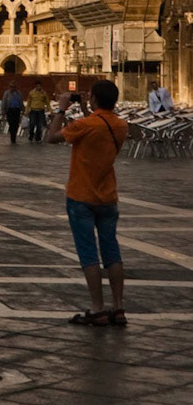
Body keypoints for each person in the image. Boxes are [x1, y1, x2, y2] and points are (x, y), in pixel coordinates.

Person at [49, 78, 129, 327]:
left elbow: (50, 137)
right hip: (108, 197)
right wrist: (86, 109)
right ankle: (118, 307)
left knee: (88, 255)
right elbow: (99, 125)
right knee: (112, 253)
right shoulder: (120, 125)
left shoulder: (84, 125)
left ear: (94, 98)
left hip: (81, 196)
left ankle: (97, 308)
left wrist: (62, 109)